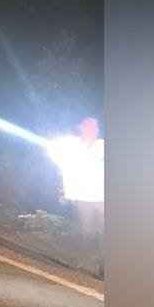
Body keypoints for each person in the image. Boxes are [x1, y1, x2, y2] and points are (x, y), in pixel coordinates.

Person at [47, 117, 104, 278]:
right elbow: (54, 154)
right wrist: (64, 187)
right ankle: (85, 264)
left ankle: (104, 268)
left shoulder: (103, 146)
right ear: (82, 128)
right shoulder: (71, 146)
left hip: (103, 196)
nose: (92, 130)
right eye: (88, 127)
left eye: (94, 127)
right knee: (86, 231)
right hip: (82, 195)